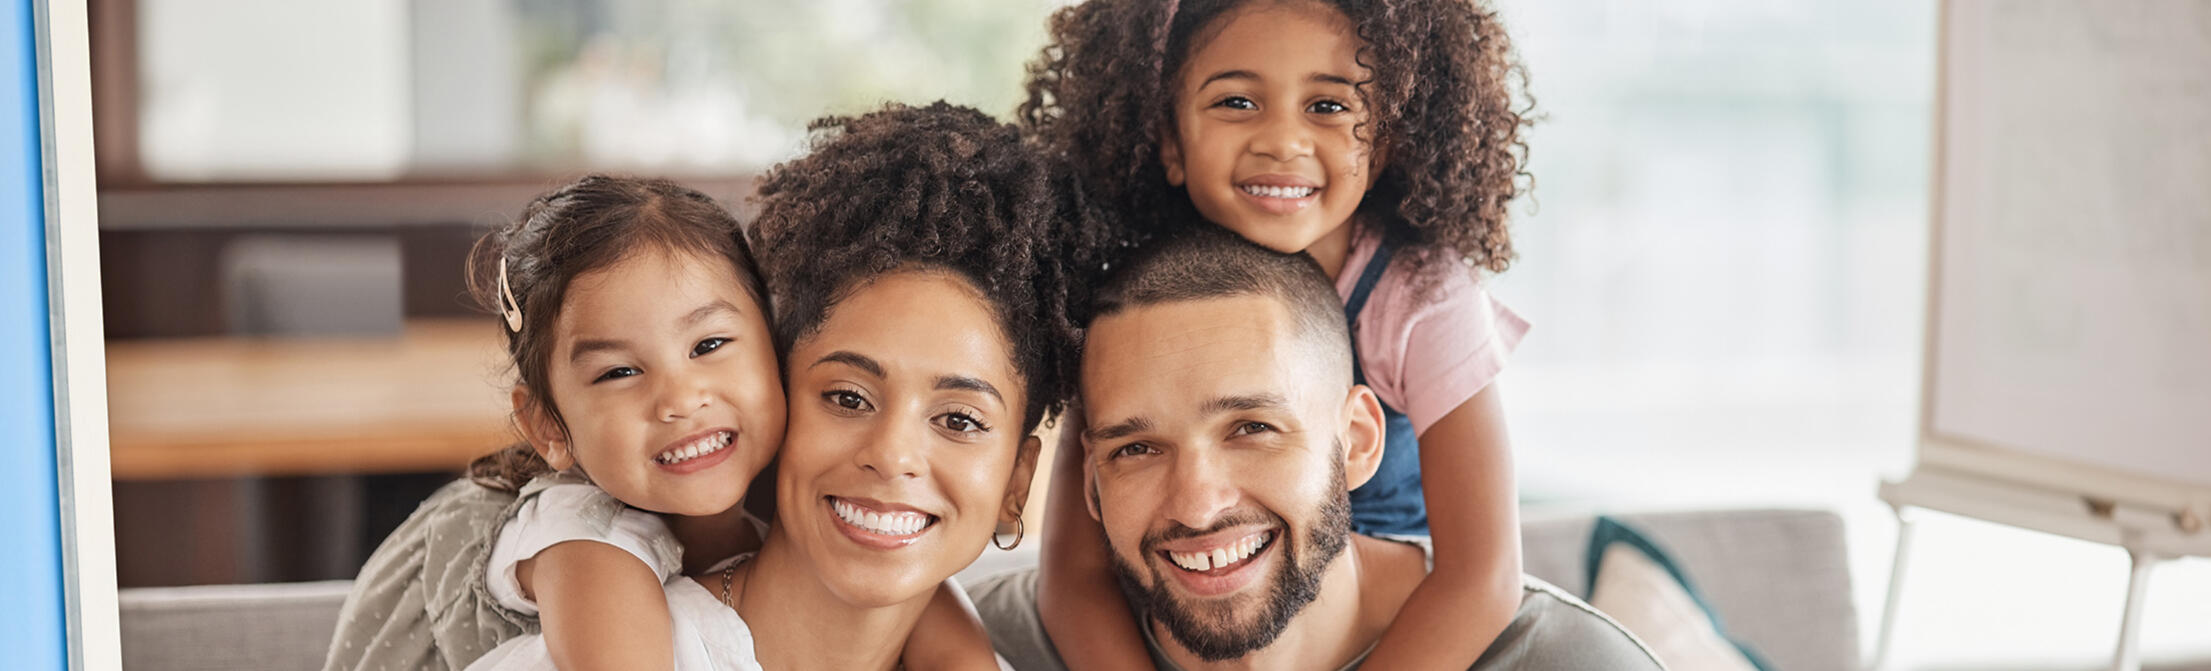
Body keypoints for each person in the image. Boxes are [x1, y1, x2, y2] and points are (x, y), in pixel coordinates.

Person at [469, 102, 1099, 670]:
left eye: (959, 419)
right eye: (847, 398)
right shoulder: (616, 617)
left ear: (1016, 483)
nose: (893, 454)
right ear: (781, 388)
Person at [1021, 0, 1535, 666]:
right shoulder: (1128, 308)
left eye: (1326, 107)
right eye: (1236, 102)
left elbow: (1482, 576)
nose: (1282, 141)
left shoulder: (1421, 295)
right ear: (1170, 143)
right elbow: (1072, 579)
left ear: (1382, 143)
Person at [326, 175, 996, 670]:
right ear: (550, 428)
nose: (678, 399)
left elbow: (926, 608)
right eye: (619, 372)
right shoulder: (586, 541)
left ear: (777, 346)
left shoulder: (800, 490)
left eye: (708, 347)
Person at [968, 230, 1661, 670]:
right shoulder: (979, 645)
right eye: (1138, 448)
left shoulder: (1566, 661)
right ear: (1089, 481)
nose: (1198, 503)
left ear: (1357, 440)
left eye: (1251, 428)